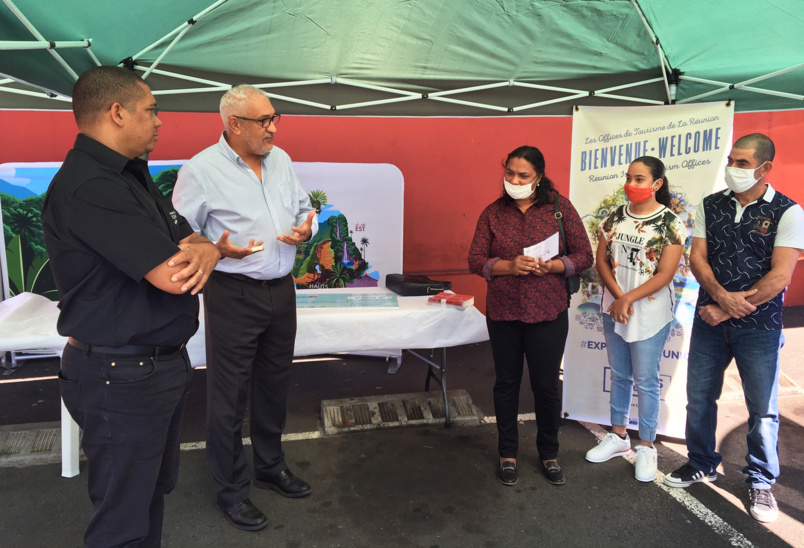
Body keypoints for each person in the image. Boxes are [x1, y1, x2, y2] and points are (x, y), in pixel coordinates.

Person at [41, 66, 221, 547]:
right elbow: (177, 274)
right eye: (152, 110)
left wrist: (206, 247)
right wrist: (208, 251)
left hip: (149, 368)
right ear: (117, 112)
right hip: (120, 374)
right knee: (122, 518)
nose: (161, 121)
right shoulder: (90, 187)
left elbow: (189, 238)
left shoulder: (130, 173)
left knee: (148, 497)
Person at [172, 84, 318, 532]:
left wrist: (306, 229)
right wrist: (214, 248)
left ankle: (270, 467)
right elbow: (179, 231)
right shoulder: (200, 170)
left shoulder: (283, 160)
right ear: (234, 124)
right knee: (229, 395)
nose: (273, 127)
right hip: (232, 294)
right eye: (265, 120)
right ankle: (232, 490)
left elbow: (304, 209)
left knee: (274, 385)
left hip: (281, 289)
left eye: (276, 118)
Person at [663, 134, 804, 523]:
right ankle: (702, 462)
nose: (733, 169)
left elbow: (780, 277)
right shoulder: (712, 204)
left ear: (765, 168)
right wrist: (720, 298)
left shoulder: (788, 212)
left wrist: (726, 308)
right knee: (699, 397)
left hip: (758, 327)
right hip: (709, 319)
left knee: (762, 410)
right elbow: (697, 257)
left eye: (742, 163)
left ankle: (760, 480)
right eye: (731, 160)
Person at [468, 145, 593, 487]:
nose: (515, 180)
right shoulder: (492, 213)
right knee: (506, 383)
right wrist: (507, 266)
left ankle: (548, 454)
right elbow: (475, 259)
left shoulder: (559, 208)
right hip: (504, 311)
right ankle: (507, 454)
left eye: (523, 175)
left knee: (546, 386)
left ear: (538, 177)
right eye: (509, 173)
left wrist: (555, 265)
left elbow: (584, 255)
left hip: (548, 310)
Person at [584, 156, 685, 482]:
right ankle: (617, 436)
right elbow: (602, 262)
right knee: (620, 374)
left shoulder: (671, 223)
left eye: (640, 179)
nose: (632, 184)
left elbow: (666, 273)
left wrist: (627, 298)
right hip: (615, 309)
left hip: (650, 314)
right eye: (629, 177)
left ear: (656, 184)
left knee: (646, 380)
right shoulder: (614, 217)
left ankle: (646, 446)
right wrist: (617, 297)